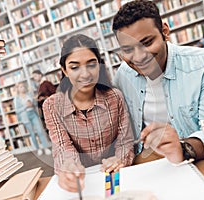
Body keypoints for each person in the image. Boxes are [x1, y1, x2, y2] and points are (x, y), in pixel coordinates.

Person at [111, 0, 204, 165]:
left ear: (165, 31)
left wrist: (181, 148)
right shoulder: (123, 75)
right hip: (146, 166)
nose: (138, 57)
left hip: (196, 164)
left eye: (147, 43)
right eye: (128, 50)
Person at [42, 34, 135, 192]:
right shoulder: (52, 106)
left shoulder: (115, 97)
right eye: (74, 67)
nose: (85, 74)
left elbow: (125, 142)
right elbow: (63, 148)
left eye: (91, 64)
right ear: (64, 70)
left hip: (113, 176)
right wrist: (69, 167)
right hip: (81, 183)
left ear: (99, 65)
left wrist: (120, 159)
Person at [14, 82, 52, 156]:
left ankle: (45, 147)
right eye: (21, 87)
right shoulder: (16, 99)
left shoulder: (29, 95)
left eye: (23, 86)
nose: (23, 88)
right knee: (32, 134)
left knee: (40, 131)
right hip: (25, 117)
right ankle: (38, 149)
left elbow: (35, 104)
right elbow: (17, 111)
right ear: (18, 89)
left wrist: (33, 104)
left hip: (33, 114)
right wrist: (26, 106)